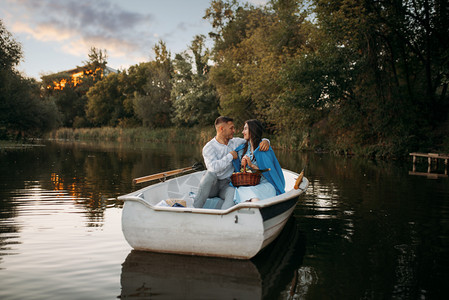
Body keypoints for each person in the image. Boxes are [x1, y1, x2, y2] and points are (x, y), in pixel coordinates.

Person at [193, 116, 270, 209]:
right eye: (231, 128)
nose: (234, 130)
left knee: (233, 194)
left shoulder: (235, 142)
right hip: (212, 186)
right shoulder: (209, 147)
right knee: (209, 175)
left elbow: (253, 140)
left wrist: (266, 141)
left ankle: (224, 219)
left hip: (227, 184)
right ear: (221, 129)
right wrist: (230, 156)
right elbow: (212, 168)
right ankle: (194, 209)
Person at [232, 119, 285, 204]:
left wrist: (251, 165)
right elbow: (241, 171)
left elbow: (268, 172)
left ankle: (258, 210)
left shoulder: (264, 148)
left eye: (245, 129)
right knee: (241, 190)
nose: (242, 132)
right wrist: (243, 165)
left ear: (252, 130)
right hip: (250, 184)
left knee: (251, 194)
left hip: (266, 184)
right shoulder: (242, 150)